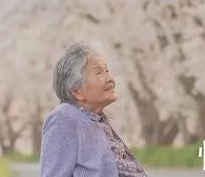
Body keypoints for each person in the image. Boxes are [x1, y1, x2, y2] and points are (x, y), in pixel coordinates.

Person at [40, 42, 149, 177]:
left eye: (107, 70)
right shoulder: (64, 117)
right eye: (98, 72)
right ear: (77, 91)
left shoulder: (99, 118)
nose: (110, 79)